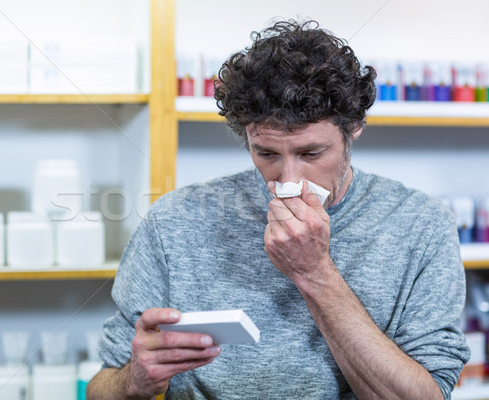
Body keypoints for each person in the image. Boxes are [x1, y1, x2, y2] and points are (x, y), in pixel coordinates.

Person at [87, 19, 469, 399]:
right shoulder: (174, 220)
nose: (289, 178)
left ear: (354, 128)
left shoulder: (421, 225)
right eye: (266, 153)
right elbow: (101, 388)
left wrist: (314, 272)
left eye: (310, 153)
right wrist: (133, 381)